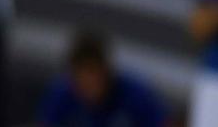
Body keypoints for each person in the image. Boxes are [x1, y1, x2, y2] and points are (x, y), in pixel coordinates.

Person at [38, 30, 168, 127]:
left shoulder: (137, 96)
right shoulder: (61, 96)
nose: (90, 87)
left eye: (94, 76)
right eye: (83, 82)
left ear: (107, 71)